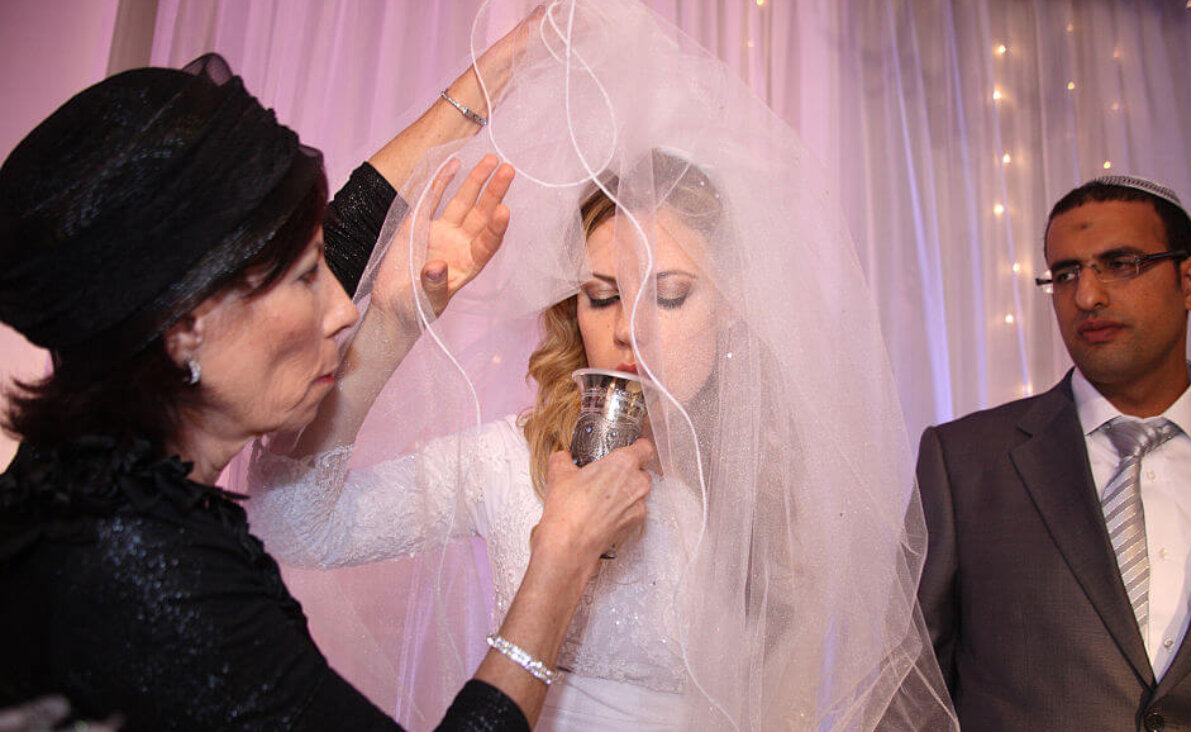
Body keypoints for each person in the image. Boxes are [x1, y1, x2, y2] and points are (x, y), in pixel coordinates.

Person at [243, 1, 956, 730]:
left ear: (734, 307)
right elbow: (296, 526)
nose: (632, 332)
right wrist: (393, 324)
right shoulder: (515, 461)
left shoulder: (769, 487)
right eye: (602, 297)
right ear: (569, 312)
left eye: (672, 297)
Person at [0, 41, 655, 729]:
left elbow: (343, 233)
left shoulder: (76, 478)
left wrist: (487, 84)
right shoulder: (149, 578)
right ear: (187, 324)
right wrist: (556, 567)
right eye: (308, 277)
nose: (344, 309)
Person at [915, 175, 1191, 731]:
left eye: (1121, 264)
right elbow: (911, 693)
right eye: (1066, 273)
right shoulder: (964, 464)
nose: (1087, 296)